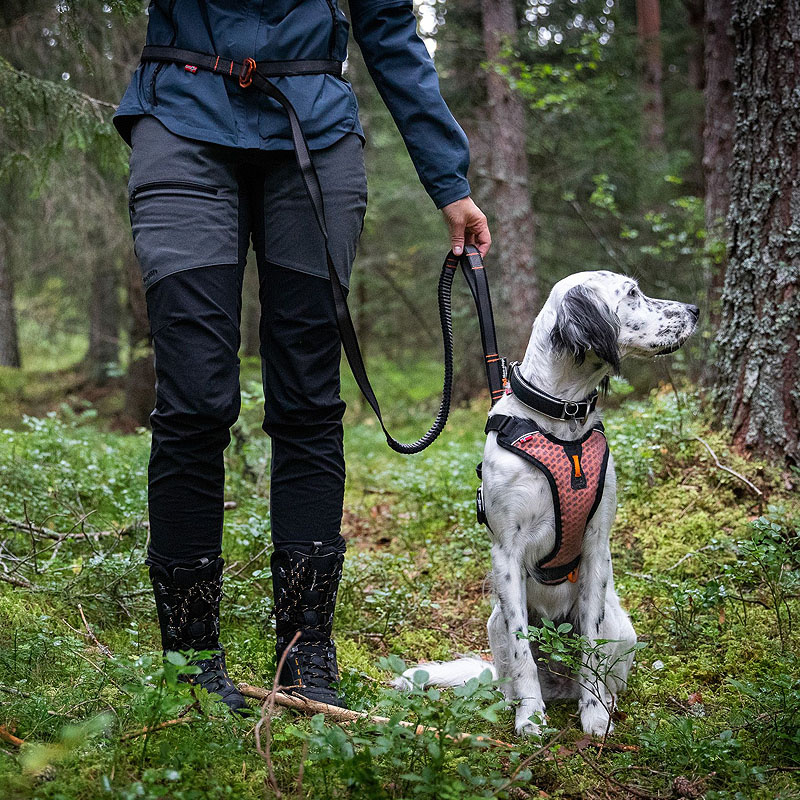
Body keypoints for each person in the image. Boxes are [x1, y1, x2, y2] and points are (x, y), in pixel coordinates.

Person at [115, 0, 491, 712]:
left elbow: (388, 30)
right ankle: (190, 663)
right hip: (181, 122)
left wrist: (449, 180)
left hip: (313, 136)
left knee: (310, 399)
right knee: (194, 400)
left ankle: (305, 651)